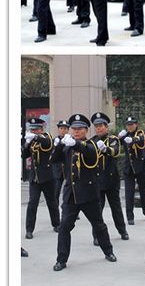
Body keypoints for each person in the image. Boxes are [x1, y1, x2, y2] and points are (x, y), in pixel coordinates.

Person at [51, 114, 117, 271]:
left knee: (99, 225)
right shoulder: (67, 145)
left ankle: (108, 251)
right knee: (64, 227)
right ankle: (61, 259)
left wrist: (75, 143)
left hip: (88, 195)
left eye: (80, 128)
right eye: (74, 128)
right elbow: (54, 159)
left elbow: (89, 153)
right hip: (71, 195)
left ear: (86, 130)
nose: (76, 131)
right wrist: (59, 145)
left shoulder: (91, 144)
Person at [90, 112, 129, 244]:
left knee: (115, 207)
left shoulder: (113, 139)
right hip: (97, 180)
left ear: (106, 127)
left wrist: (105, 149)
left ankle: (122, 230)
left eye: (101, 126)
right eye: (96, 126)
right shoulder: (92, 141)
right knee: (97, 210)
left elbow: (115, 151)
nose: (98, 128)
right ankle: (97, 235)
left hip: (111, 179)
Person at [22, 118, 60, 239]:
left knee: (52, 202)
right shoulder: (32, 140)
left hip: (48, 177)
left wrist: (35, 137)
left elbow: (47, 143)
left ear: (41, 129)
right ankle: (29, 229)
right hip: (35, 178)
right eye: (32, 129)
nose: (34, 131)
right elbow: (25, 155)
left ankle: (56, 224)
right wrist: (26, 144)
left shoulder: (47, 137)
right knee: (32, 204)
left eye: (36, 129)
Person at [118, 115, 145, 225]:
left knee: (144, 191)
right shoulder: (125, 135)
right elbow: (116, 144)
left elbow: (141, 140)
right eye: (128, 125)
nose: (130, 127)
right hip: (129, 168)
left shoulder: (140, 133)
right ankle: (130, 216)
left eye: (132, 124)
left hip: (140, 166)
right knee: (129, 192)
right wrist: (119, 137)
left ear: (136, 125)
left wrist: (132, 140)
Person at [52, 120, 70, 206]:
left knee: (69, 192)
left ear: (68, 130)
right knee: (55, 192)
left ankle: (68, 209)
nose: (63, 130)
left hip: (68, 169)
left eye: (65, 128)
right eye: (61, 128)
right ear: (58, 129)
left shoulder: (71, 140)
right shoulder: (54, 141)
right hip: (57, 170)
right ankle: (56, 210)